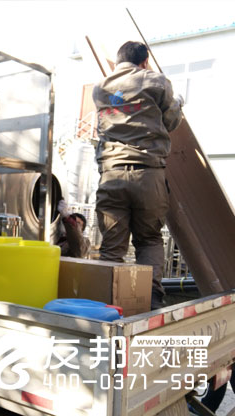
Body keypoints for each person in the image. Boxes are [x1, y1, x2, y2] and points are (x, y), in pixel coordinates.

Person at [92, 41, 183, 310]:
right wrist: (178, 103)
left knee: (112, 248)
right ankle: (151, 301)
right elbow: (170, 121)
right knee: (149, 240)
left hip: (111, 175)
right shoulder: (157, 81)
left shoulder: (100, 87)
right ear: (144, 61)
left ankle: (107, 307)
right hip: (148, 174)